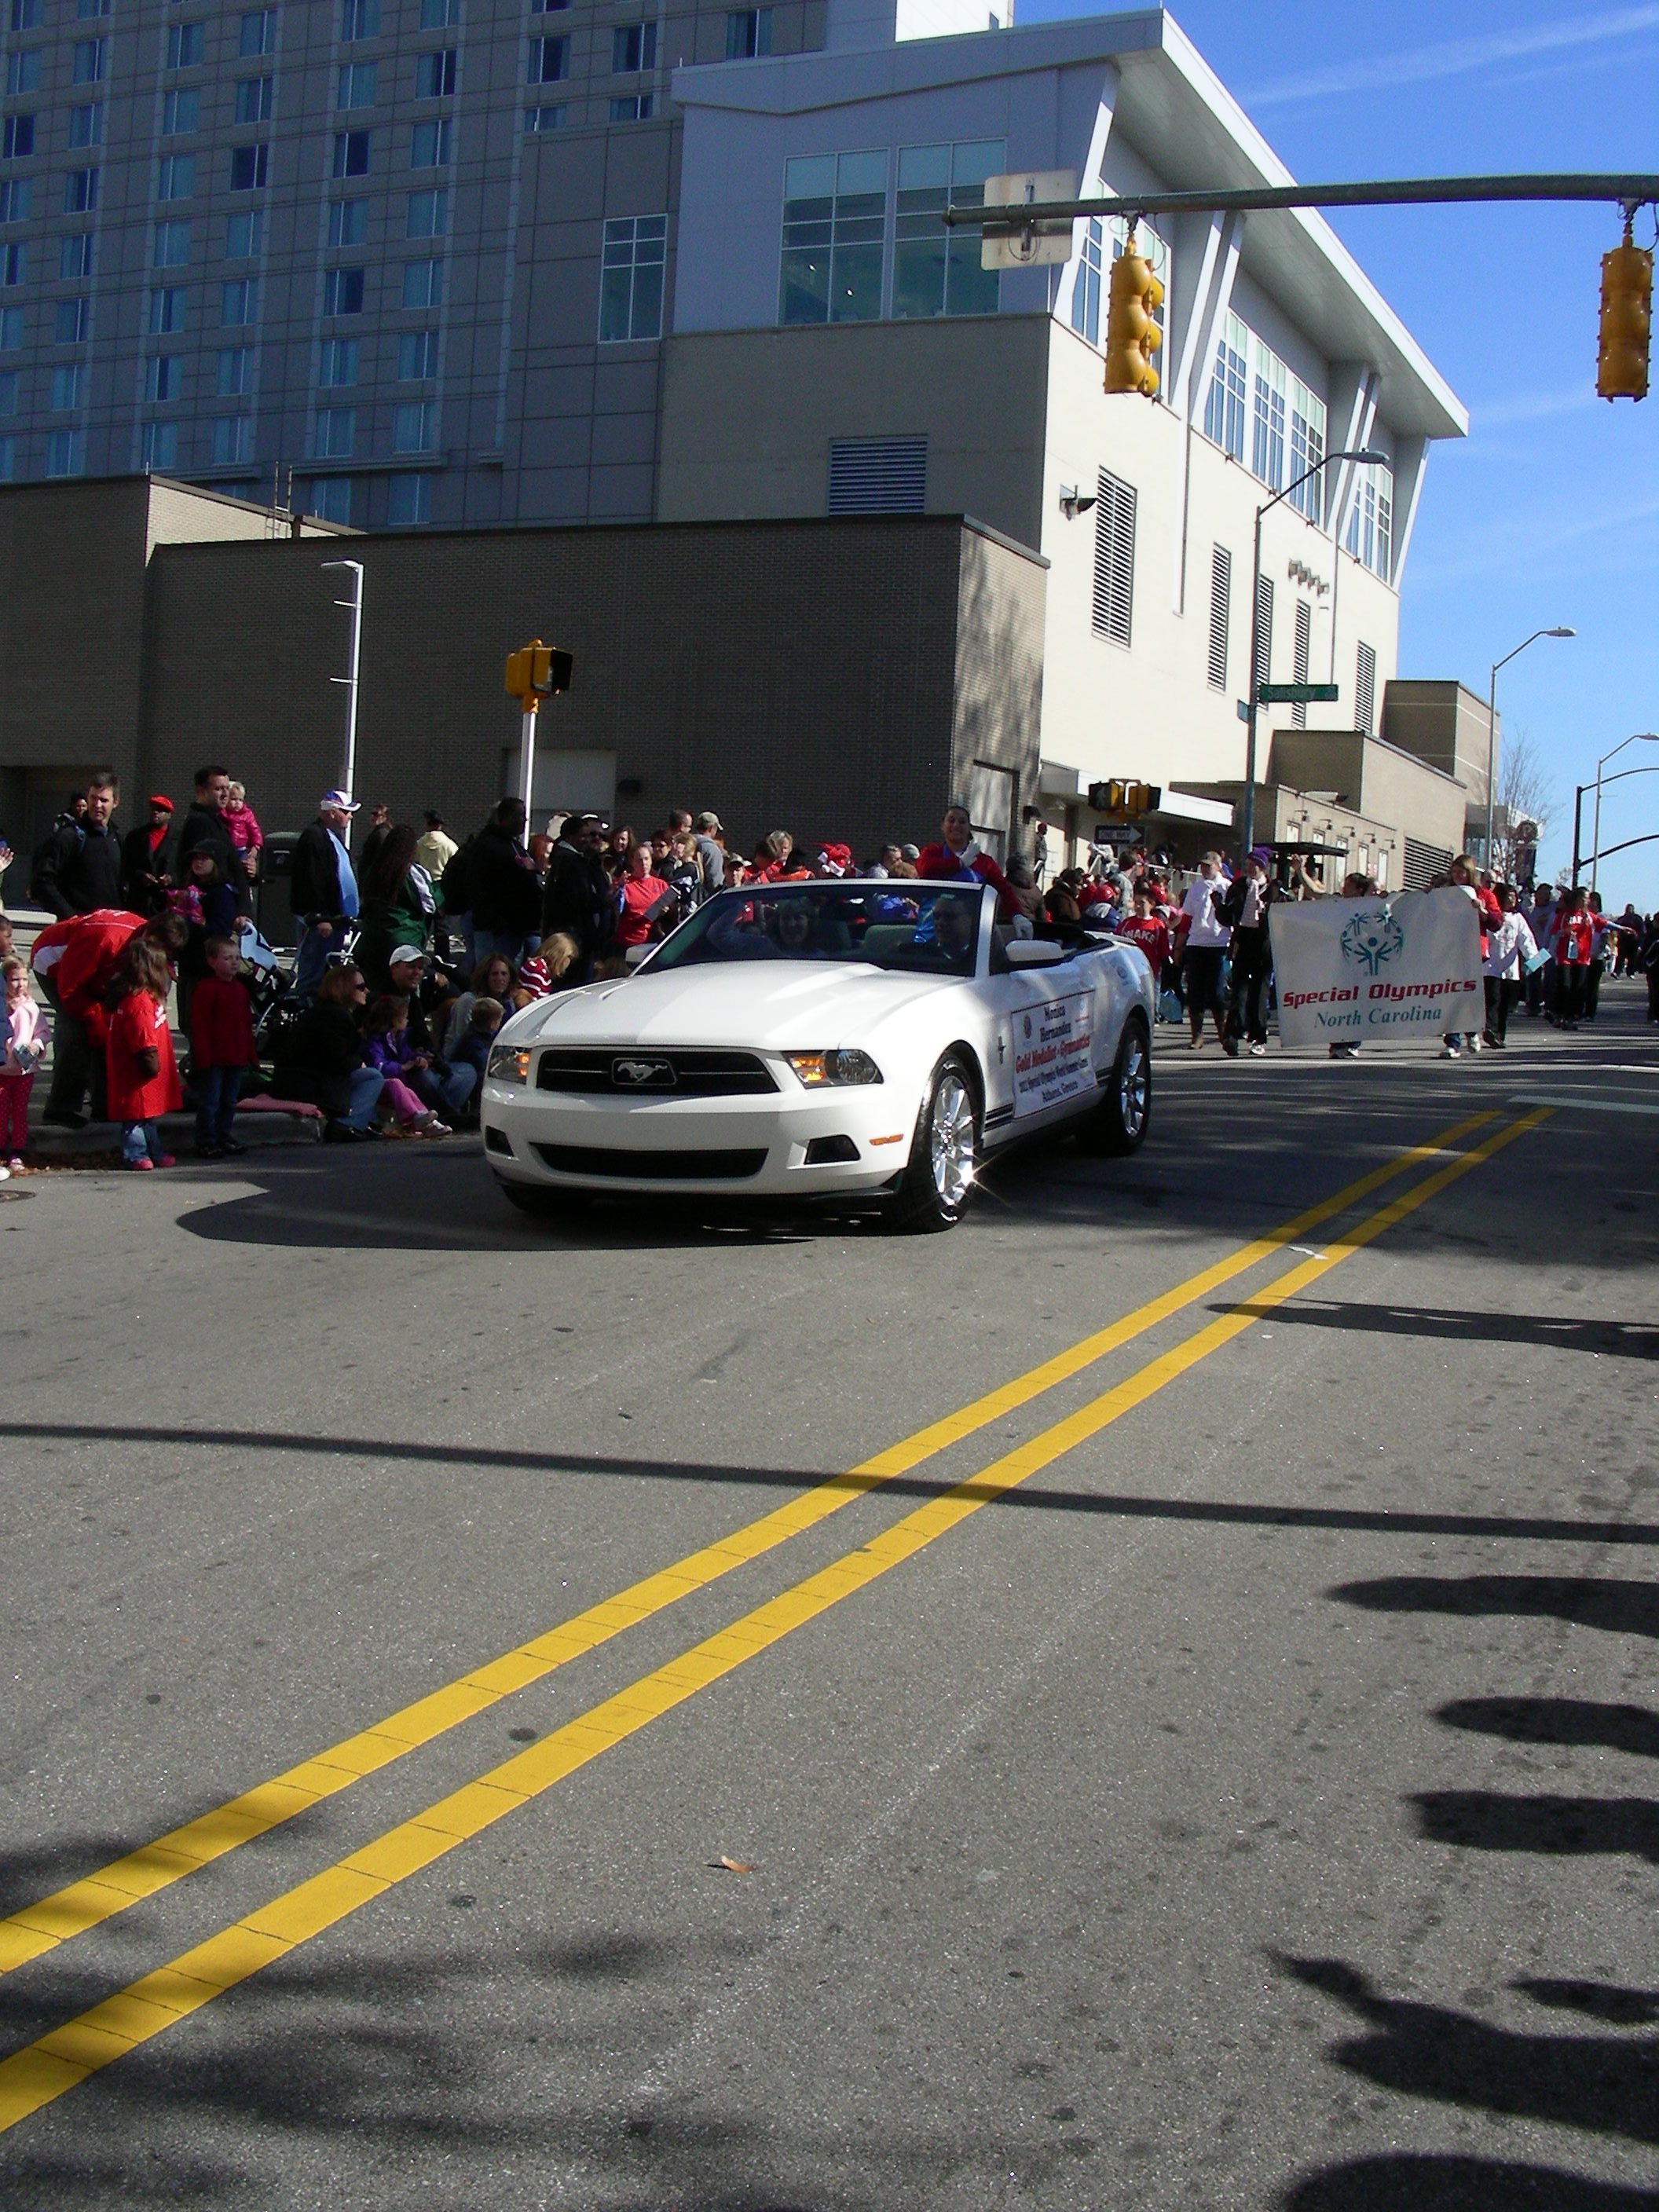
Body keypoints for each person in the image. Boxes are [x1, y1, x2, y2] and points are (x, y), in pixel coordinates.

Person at [31, 907, 186, 1126]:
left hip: (97, 970)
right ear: (151, 937)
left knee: (112, 1033)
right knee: (77, 1031)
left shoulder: (147, 940)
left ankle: (104, 1105)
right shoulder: (105, 937)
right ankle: (61, 1108)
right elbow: (70, 989)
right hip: (54, 964)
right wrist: (94, 1020)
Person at [271, 963, 385, 1141]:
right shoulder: (336, 1017)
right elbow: (336, 1060)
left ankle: (362, 1122)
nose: (367, 991)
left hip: (304, 1078)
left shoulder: (324, 1012)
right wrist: (358, 1062)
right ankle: (346, 1124)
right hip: (309, 1083)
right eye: (361, 987)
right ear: (345, 988)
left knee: (368, 1075)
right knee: (372, 1077)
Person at [105, 934, 181, 1170]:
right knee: (135, 1117)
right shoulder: (138, 1001)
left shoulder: (146, 996)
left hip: (144, 1065)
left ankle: (153, 1151)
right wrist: (149, 1059)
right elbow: (141, 1036)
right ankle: (135, 1154)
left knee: (147, 1116)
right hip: (137, 1067)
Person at [383, 946, 474, 1123]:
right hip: (398, 1070)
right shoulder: (383, 1001)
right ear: (394, 968)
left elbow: (423, 1039)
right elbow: (384, 1048)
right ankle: (449, 1116)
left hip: (421, 1062)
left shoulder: (412, 999)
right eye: (411, 967)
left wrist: (431, 1057)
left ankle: (437, 1113)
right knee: (426, 1079)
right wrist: (412, 1060)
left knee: (466, 1071)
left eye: (419, 968)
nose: (417, 972)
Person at [189, 934, 258, 1155]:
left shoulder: (241, 990)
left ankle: (224, 1135)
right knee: (210, 1101)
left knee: (229, 1101)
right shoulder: (207, 989)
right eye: (227, 958)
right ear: (212, 962)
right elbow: (200, 1025)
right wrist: (203, 1056)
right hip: (214, 1057)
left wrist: (252, 1055)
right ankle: (206, 1139)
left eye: (237, 957)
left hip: (236, 1056)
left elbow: (247, 1025)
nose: (234, 962)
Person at [289, 791, 362, 998]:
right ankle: (303, 1013)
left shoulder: (331, 837)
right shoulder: (314, 836)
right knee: (313, 974)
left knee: (330, 974)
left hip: (335, 922)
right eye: (347, 812)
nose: (350, 816)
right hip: (322, 923)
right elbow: (312, 880)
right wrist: (321, 917)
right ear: (332, 812)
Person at [31, 771, 123, 918]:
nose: (97, 805)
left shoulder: (117, 839)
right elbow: (42, 880)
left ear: (115, 802)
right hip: (76, 930)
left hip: (108, 929)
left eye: (104, 800)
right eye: (93, 798)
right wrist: (70, 915)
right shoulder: (71, 836)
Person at [354, 823, 431, 990]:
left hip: (371, 938)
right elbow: (429, 905)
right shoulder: (411, 872)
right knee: (403, 991)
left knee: (374, 988)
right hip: (402, 938)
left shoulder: (373, 870)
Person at [540, 813, 614, 981]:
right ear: (570, 836)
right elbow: (577, 899)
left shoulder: (573, 860)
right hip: (573, 935)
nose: (588, 840)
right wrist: (603, 901)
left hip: (575, 934)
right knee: (572, 980)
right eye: (584, 836)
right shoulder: (570, 862)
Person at [361, 995, 447, 1136]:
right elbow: (378, 1066)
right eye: (404, 1017)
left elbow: (406, 1055)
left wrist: (417, 1059)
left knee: (409, 1092)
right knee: (395, 1084)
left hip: (395, 1083)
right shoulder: (374, 1040)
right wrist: (402, 1067)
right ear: (394, 1019)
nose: (407, 1021)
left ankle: (427, 1122)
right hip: (376, 1084)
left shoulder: (400, 1038)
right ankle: (413, 1117)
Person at [468, 798, 541, 965]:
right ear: (504, 818)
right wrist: (496, 922)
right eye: (519, 816)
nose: (523, 821)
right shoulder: (488, 845)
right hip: (498, 931)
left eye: (525, 816)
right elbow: (478, 886)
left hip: (517, 927)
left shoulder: (513, 844)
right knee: (494, 976)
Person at [174, 766, 253, 915]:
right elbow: (205, 874)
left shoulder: (216, 821)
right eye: (218, 789)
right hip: (215, 913)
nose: (225, 795)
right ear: (200, 791)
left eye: (226, 789)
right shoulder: (201, 822)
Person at [916, 804, 1016, 919]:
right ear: (942, 825)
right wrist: (959, 863)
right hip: (931, 927)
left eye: (962, 822)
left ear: (969, 828)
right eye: (951, 821)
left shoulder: (984, 862)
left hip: (968, 929)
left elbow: (1004, 890)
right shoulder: (932, 852)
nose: (956, 825)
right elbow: (923, 869)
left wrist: (1017, 916)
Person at [1220, 850, 1275, 1056]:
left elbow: (1284, 913)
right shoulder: (1239, 886)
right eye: (1247, 864)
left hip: (1264, 943)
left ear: (1262, 867)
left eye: (1254, 865)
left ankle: (1258, 1036)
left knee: (1259, 993)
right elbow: (1227, 916)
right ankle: (1232, 1035)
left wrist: (1266, 909)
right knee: (1239, 992)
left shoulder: (1272, 888)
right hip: (1243, 941)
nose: (1249, 869)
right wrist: (1220, 907)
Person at [1175, 852, 1231, 1049]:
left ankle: (1223, 1031)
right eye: (1203, 866)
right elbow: (1187, 918)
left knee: (1216, 992)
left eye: (1209, 865)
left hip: (1218, 943)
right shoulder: (1196, 889)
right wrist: (1179, 946)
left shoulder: (1226, 887)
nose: (1205, 869)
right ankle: (1197, 1034)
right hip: (1196, 943)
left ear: (1217, 866)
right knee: (1195, 991)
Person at [0, 954, 47, 1172]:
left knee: (19, 1112)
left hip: (23, 1070)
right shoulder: (3, 1007)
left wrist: (36, 1045)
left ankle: (17, 1149)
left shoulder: (31, 1008)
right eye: (14, 980)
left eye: (24, 979)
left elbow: (43, 1032)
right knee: (1, 1111)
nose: (20, 985)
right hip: (2, 1069)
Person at [1481, 884, 1536, 1050]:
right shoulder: (1491, 917)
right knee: (1493, 999)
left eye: (1514, 896)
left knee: (1506, 1004)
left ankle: (1499, 1035)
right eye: (1509, 896)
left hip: (1510, 969)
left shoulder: (1518, 919)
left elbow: (1527, 940)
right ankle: (1489, 1029)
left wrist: (1535, 962)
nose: (1512, 899)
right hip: (1490, 966)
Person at [442, 952, 517, 1058]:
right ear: (485, 977)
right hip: (463, 1059)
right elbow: (464, 1039)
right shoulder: (468, 1001)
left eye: (504, 974)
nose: (500, 979)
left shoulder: (508, 1003)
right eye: (494, 974)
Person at [614, 840, 677, 948]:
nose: (644, 863)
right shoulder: (624, 884)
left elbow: (673, 915)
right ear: (632, 862)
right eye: (639, 860)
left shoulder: (661, 884)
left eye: (647, 859)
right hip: (628, 942)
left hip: (654, 941)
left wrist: (666, 912)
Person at [119, 796, 175, 916]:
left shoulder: (179, 839)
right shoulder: (135, 837)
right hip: (139, 902)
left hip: (166, 905)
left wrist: (171, 879)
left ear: (169, 815)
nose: (156, 812)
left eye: (161, 810)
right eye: (154, 809)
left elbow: (185, 870)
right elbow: (125, 867)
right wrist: (141, 876)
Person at [1551, 885, 1595, 1030]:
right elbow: (1554, 933)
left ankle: (1569, 1018)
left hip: (1582, 958)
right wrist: (1564, 932)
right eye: (1585, 898)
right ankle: (1558, 1014)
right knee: (1565, 985)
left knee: (1578, 989)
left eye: (1588, 899)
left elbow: (1605, 923)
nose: (1587, 901)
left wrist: (1623, 929)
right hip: (1564, 956)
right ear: (1578, 899)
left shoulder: (1588, 917)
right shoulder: (1564, 914)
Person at [447, 995, 504, 1095]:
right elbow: (484, 1062)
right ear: (492, 1024)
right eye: (498, 1021)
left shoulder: (477, 1034)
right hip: (469, 1075)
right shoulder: (473, 1040)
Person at [223, 782, 264, 884]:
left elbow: (255, 831)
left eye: (240, 800)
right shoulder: (223, 813)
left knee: (244, 868)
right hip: (227, 848)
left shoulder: (247, 814)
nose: (237, 803)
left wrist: (255, 847)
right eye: (233, 799)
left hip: (241, 848)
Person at [415, 810, 459, 881]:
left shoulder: (418, 844)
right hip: (442, 884)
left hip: (424, 883)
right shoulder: (449, 845)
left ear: (427, 824)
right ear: (439, 825)